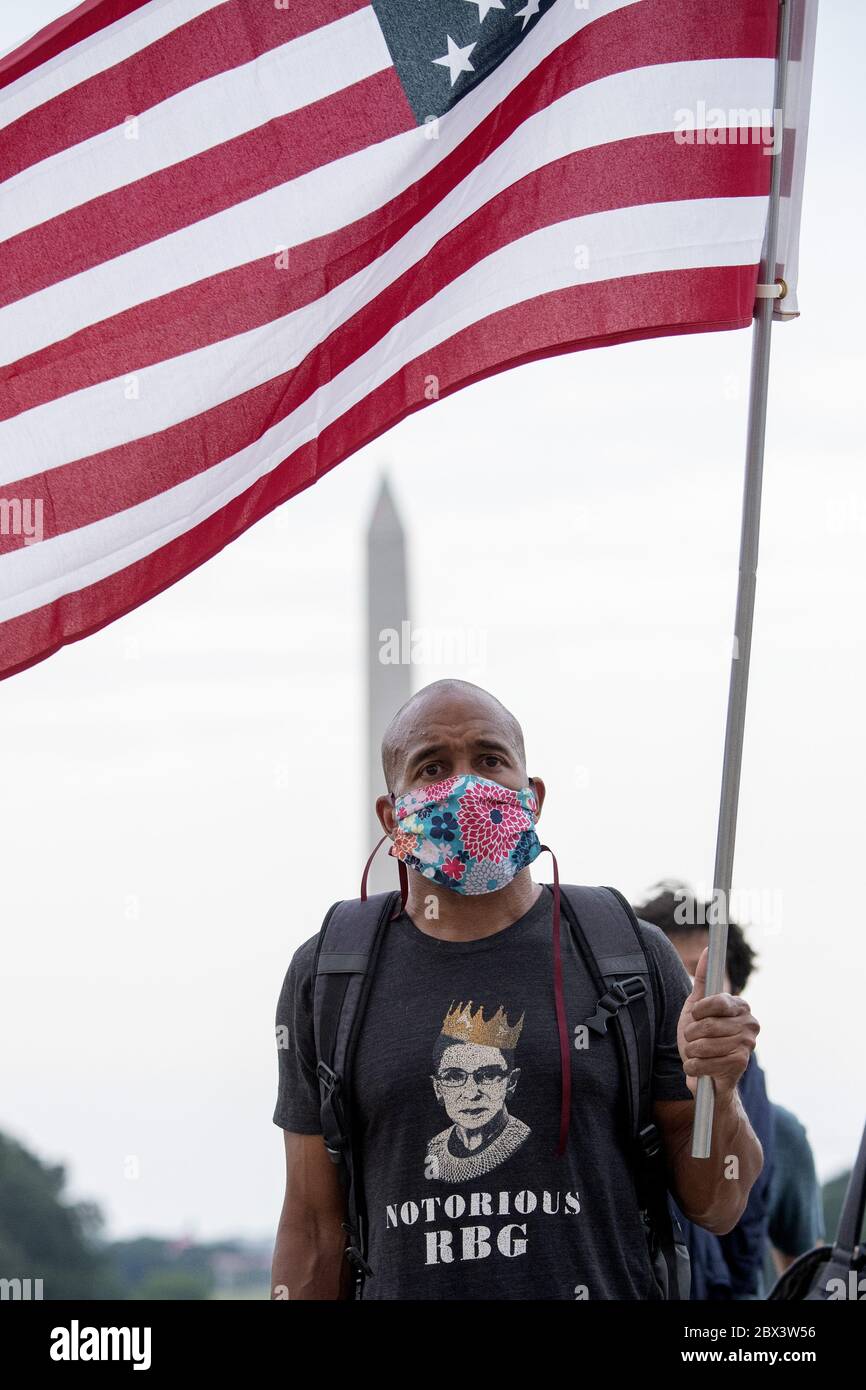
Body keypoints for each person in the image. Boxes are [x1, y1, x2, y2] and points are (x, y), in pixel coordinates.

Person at [271, 681, 763, 1301]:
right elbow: (314, 1225)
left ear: (532, 797)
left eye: (490, 758)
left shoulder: (627, 955)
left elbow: (718, 1204)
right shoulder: (329, 976)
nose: (466, 784)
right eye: (431, 766)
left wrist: (719, 1088)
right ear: (392, 816)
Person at [634, 882, 774, 1299]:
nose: (688, 996)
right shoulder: (622, 1101)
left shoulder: (784, 1132)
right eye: (672, 975)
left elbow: (797, 1244)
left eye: (703, 975)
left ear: (736, 990)